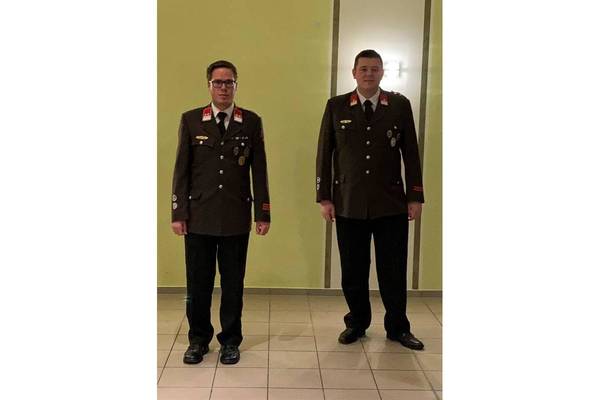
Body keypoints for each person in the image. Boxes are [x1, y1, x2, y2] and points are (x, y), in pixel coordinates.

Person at [315, 49, 425, 350]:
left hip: (390, 203)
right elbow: (324, 154)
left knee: (393, 269)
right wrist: (324, 198)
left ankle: (398, 327)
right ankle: (357, 323)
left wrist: (415, 196)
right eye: (363, 69)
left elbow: (411, 154)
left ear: (382, 73)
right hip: (348, 202)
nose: (369, 74)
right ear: (353, 73)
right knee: (353, 270)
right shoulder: (337, 106)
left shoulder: (399, 105)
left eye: (375, 69)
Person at [171, 60, 271, 365]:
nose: (224, 88)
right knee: (197, 284)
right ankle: (198, 340)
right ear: (209, 85)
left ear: (236, 85)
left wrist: (263, 213)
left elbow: (259, 171)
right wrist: (178, 212)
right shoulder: (192, 120)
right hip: (199, 216)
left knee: (232, 284)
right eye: (218, 82)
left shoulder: (250, 121)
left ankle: (230, 341)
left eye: (229, 82)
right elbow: (181, 170)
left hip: (235, 217)